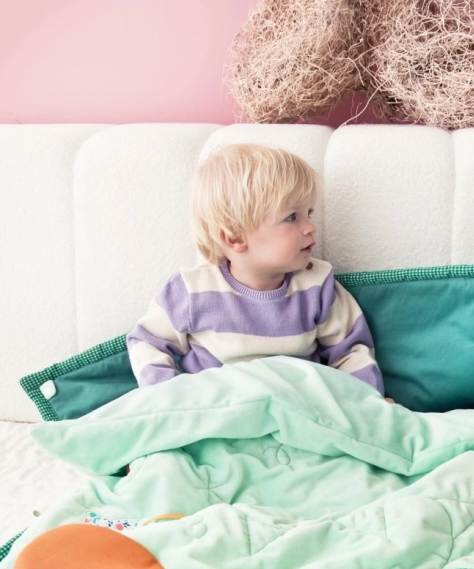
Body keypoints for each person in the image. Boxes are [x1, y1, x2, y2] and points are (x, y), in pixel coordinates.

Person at [127, 143, 387, 399]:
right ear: (235, 238)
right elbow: (147, 341)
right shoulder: (192, 290)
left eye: (309, 213)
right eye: (292, 217)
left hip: (296, 408)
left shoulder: (317, 286)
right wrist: (171, 397)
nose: (311, 226)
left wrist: (367, 402)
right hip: (221, 411)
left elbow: (350, 353)